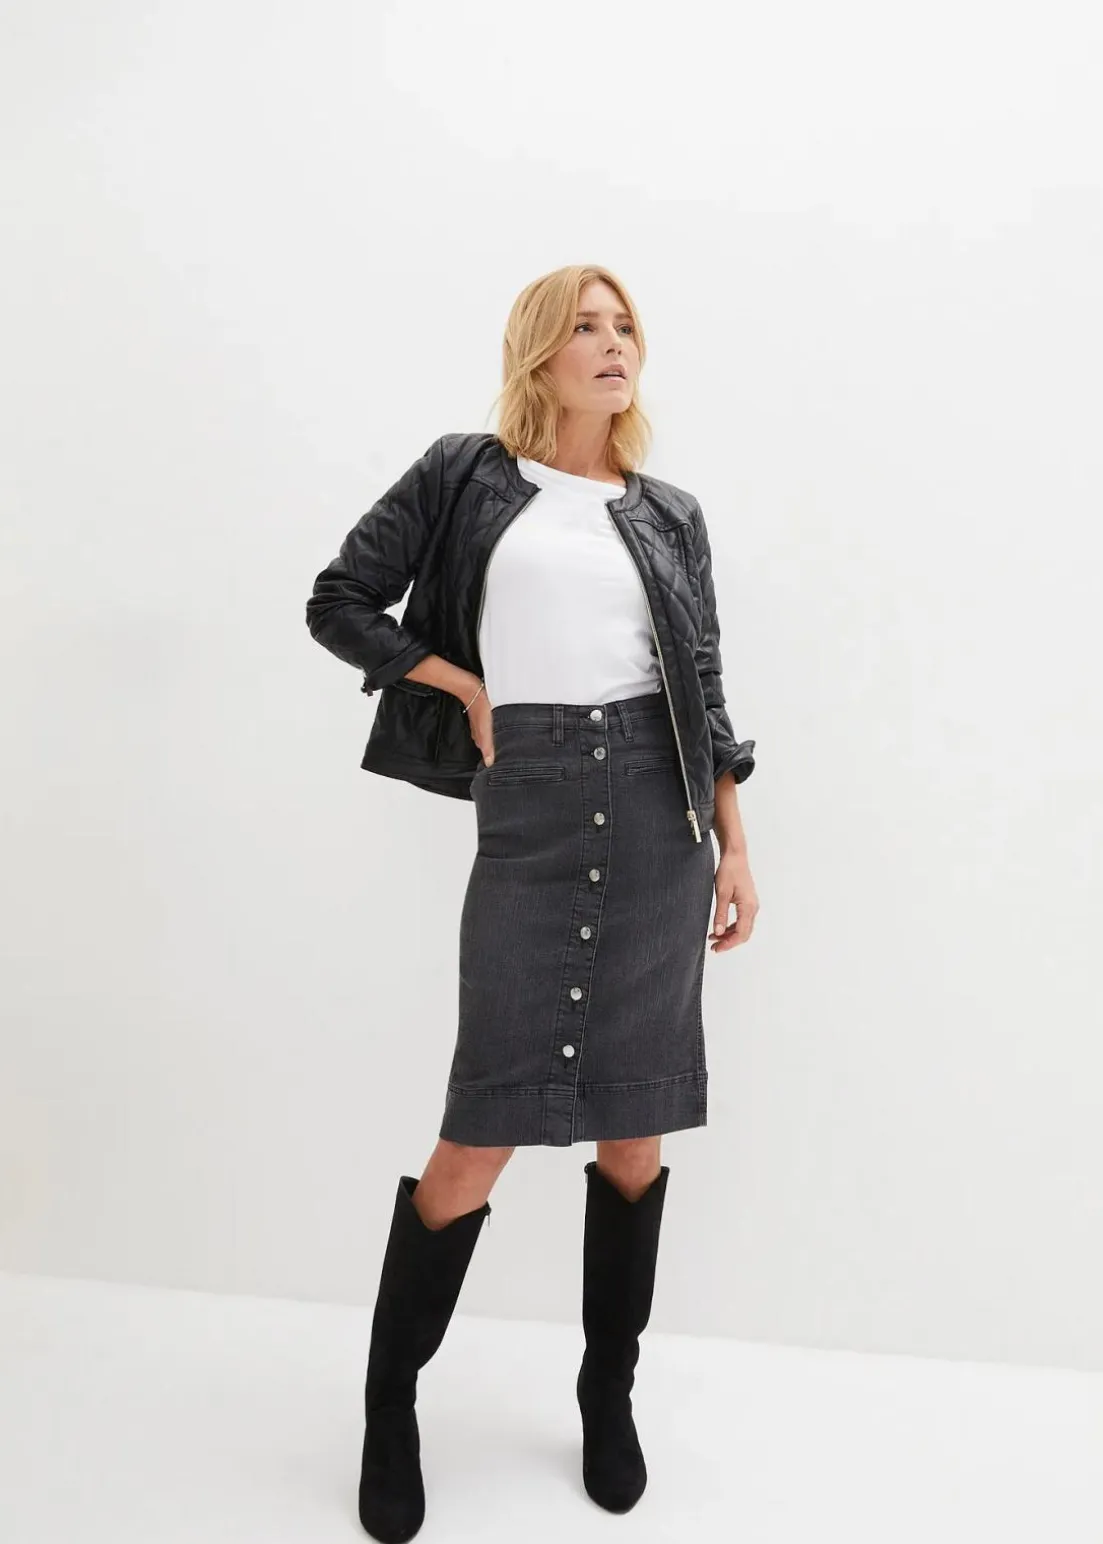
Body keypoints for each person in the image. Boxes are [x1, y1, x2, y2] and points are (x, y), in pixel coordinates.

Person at [305, 263, 760, 1542]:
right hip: (532, 802)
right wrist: (458, 682)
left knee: (634, 1132)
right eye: (584, 327)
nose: (612, 345)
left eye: (624, 327)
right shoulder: (466, 475)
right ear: (539, 353)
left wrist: (733, 843)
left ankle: (606, 1394)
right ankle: (389, 1402)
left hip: (662, 814)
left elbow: (703, 686)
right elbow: (338, 600)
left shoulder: (669, 514)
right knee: (479, 1130)